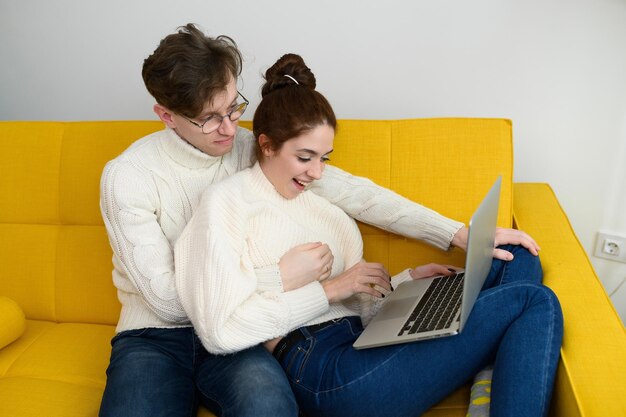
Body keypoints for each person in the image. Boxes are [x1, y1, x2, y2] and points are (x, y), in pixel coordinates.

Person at [174, 53, 564, 417]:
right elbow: (222, 331)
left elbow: (359, 307)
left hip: (363, 340)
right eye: (304, 157)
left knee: (518, 259)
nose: (316, 173)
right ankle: (494, 373)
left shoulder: (324, 207)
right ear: (267, 145)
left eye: (324, 159)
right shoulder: (227, 202)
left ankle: (488, 371)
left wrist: (404, 286)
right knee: (534, 301)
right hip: (320, 368)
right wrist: (328, 290)